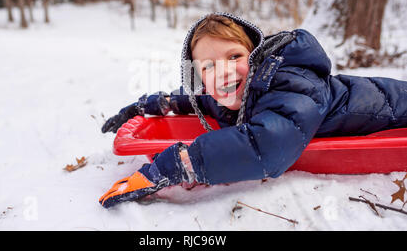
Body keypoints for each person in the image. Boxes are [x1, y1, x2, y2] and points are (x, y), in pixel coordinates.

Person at [98, 13, 407, 209]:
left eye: (234, 56)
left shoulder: (291, 83)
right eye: (208, 66)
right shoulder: (238, 93)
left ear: (256, 57)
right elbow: (202, 101)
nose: (224, 72)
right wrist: (154, 104)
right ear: (198, 78)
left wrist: (175, 165)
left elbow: (265, 147)